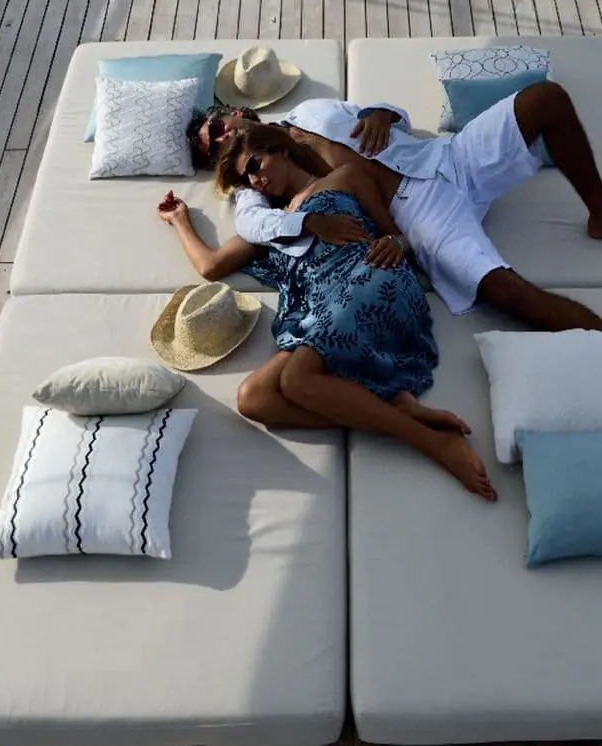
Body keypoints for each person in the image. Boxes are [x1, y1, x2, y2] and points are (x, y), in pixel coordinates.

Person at [186, 85, 602, 418]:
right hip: (414, 215)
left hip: (442, 158)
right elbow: (252, 223)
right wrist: (307, 218)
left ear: (232, 110)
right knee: (506, 291)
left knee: (545, 99)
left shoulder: (311, 110)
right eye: (214, 150)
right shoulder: (255, 181)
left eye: (217, 128)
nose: (222, 142)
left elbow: (392, 115)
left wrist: (383, 113)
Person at [156, 124, 496, 499]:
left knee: (296, 381)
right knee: (254, 398)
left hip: (368, 277)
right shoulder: (274, 225)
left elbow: (398, 233)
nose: (255, 180)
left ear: (281, 149)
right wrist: (179, 220)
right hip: (320, 311)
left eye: (256, 163)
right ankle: (398, 414)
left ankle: (432, 444)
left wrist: (396, 242)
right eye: (246, 178)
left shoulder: (345, 178)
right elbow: (210, 265)